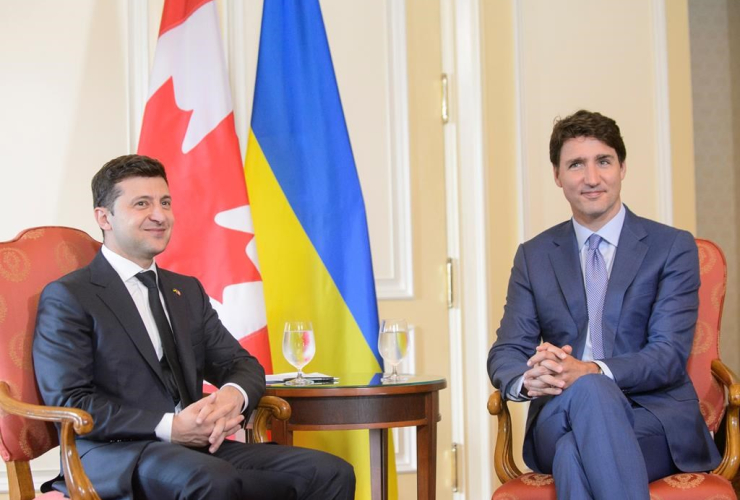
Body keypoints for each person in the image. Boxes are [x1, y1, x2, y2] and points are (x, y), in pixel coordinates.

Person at [33, 154, 355, 500]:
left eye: (165, 203)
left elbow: (241, 364)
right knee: (211, 479)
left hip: (198, 450)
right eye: (142, 204)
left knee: (330, 472)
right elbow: (72, 400)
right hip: (117, 454)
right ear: (104, 217)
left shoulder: (185, 290)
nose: (159, 215)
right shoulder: (70, 296)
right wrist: (172, 428)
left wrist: (234, 396)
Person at [487, 110, 720, 499]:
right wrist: (529, 380)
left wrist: (590, 370)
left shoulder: (671, 247)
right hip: (561, 412)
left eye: (603, 161)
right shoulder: (535, 256)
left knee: (572, 453)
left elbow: (666, 355)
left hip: (654, 418)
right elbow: (507, 350)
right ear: (557, 176)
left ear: (622, 167)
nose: (592, 178)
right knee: (589, 396)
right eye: (576, 164)